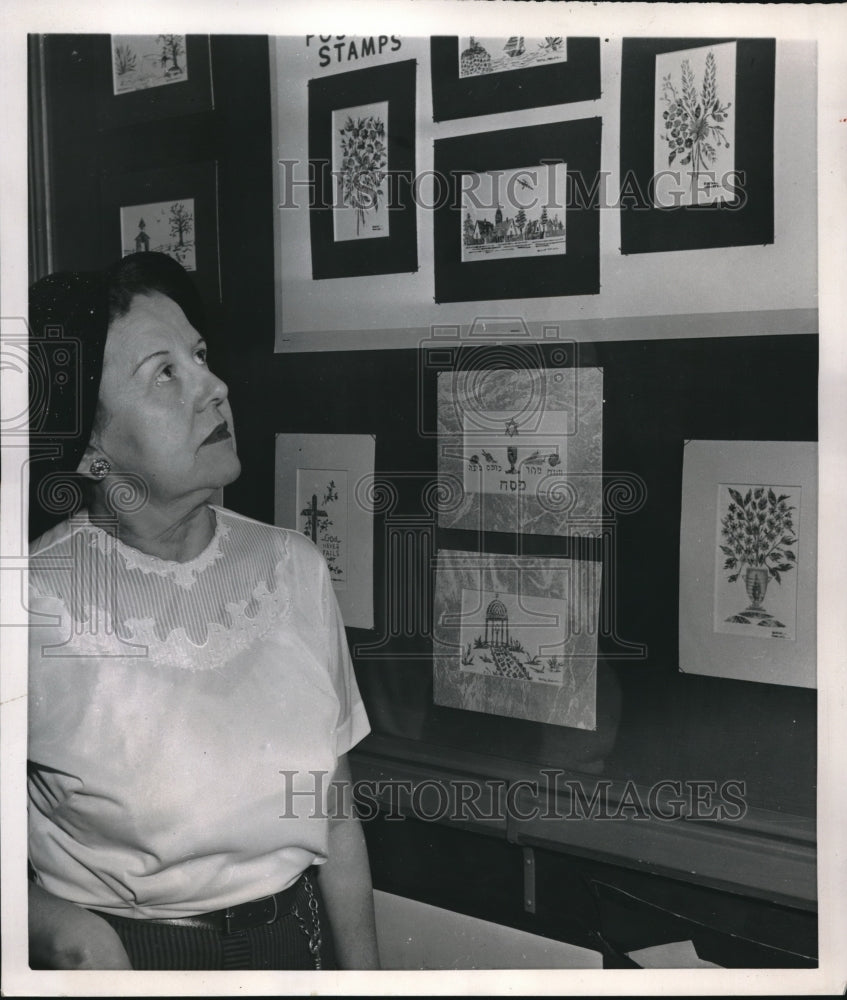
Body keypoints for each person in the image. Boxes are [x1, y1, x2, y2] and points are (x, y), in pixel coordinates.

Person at [26, 251, 380, 971]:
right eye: (164, 373)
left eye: (200, 356)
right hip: (129, 961)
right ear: (90, 448)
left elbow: (336, 819)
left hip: (294, 949)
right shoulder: (27, 603)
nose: (214, 387)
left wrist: (366, 985)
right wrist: (63, 929)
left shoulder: (294, 570)